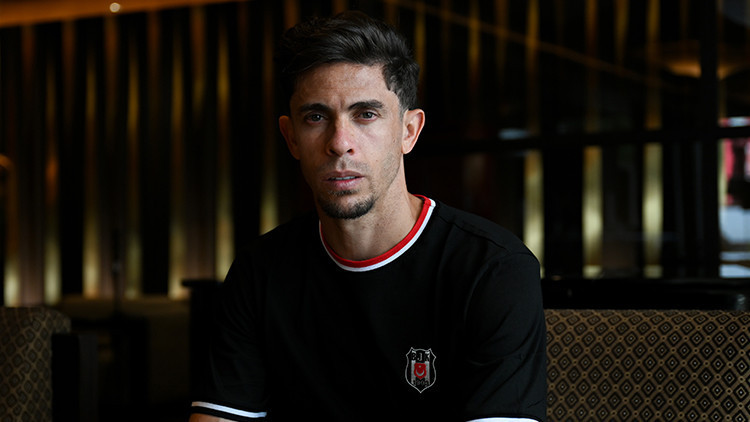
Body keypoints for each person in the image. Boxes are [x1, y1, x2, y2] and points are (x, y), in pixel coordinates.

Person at [189, 10, 546, 422]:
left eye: (366, 114)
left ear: (409, 131)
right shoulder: (260, 271)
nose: (340, 143)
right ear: (291, 137)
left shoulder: (493, 269)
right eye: (316, 117)